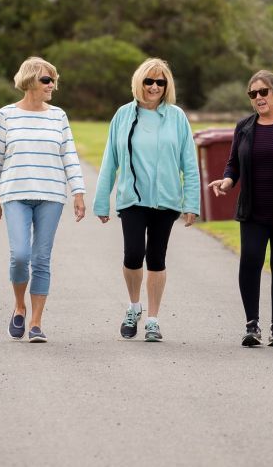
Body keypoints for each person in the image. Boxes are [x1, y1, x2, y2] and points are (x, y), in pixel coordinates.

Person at [93, 58, 200, 342]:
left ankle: (152, 319)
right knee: (132, 254)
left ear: (167, 86)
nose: (154, 87)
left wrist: (192, 203)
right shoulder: (124, 115)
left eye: (160, 82)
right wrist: (102, 201)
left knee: (156, 258)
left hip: (166, 201)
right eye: (149, 81)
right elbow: (109, 161)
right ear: (139, 83)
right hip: (132, 199)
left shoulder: (177, 117)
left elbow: (189, 163)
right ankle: (133, 306)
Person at [208, 70, 273, 347]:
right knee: (251, 261)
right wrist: (228, 180)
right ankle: (251, 325)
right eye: (253, 94)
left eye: (263, 92)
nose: (258, 98)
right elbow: (234, 163)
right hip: (254, 210)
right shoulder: (244, 127)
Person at [0, 56, 86, 343]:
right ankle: (19, 306)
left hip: (51, 195)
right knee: (20, 256)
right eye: (46, 79)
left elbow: (70, 157)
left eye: (53, 79)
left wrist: (78, 193)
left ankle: (36, 323)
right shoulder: (5, 115)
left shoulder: (58, 116)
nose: (52, 84)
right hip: (15, 194)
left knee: (41, 259)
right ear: (29, 81)